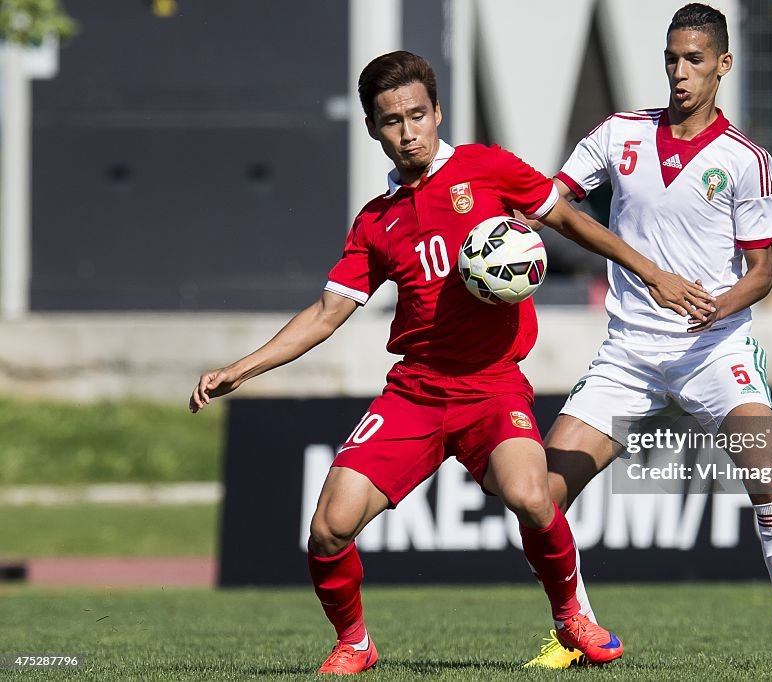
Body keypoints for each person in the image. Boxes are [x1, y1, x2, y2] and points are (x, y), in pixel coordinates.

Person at [189, 50, 713, 675]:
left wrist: (651, 273)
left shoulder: (486, 169)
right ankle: (354, 641)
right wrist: (238, 370)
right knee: (329, 527)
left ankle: (572, 614)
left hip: (493, 389)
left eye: (418, 115)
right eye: (391, 121)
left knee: (530, 494)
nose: (408, 132)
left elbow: (569, 219)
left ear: (438, 112)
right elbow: (326, 315)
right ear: (372, 128)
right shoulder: (376, 224)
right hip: (413, 392)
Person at [524, 4, 772, 672]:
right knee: (539, 496)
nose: (680, 72)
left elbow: (763, 273)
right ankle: (578, 631)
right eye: (670, 58)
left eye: (694, 59)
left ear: (723, 64)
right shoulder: (618, 135)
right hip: (628, 354)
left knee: (766, 476)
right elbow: (551, 204)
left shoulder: (746, 161)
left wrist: (713, 308)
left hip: (713, 352)